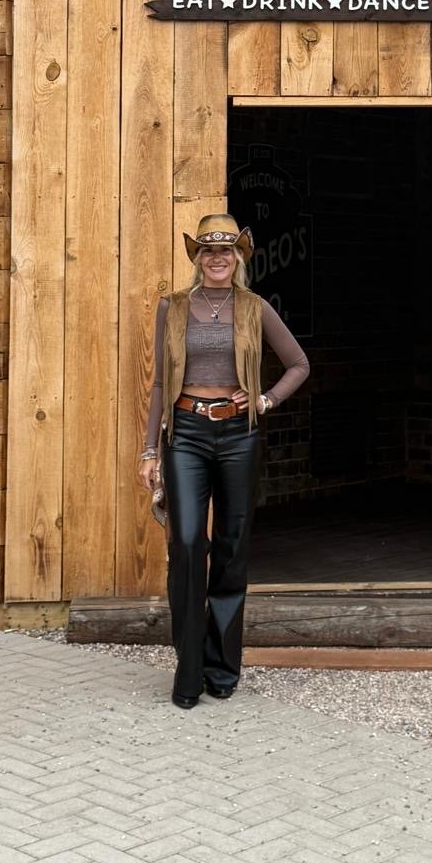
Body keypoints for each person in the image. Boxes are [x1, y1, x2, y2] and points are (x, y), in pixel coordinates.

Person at [138, 213, 310, 708]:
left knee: (232, 549)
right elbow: (157, 385)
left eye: (227, 250)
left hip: (239, 434)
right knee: (189, 543)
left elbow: (298, 364)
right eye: (208, 250)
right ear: (197, 258)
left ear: (239, 258)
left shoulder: (254, 308)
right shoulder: (172, 307)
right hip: (186, 432)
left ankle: (222, 667)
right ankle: (188, 669)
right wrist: (150, 448)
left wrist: (267, 400)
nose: (218, 258)